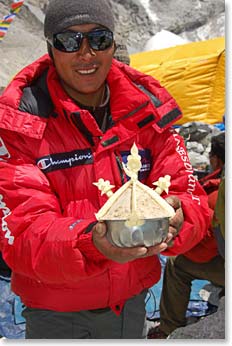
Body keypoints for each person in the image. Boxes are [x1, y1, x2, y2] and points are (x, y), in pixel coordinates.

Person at [0, 0, 210, 339]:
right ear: (51, 48)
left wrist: (180, 216)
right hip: (55, 314)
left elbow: (191, 195)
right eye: (69, 41)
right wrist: (91, 243)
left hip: (130, 306)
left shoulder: (149, 113)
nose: (86, 53)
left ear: (113, 44)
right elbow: (21, 234)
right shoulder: (21, 126)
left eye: (98, 39)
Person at [148, 131, 225, 339]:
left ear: (216, 160)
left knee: (177, 265)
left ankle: (169, 328)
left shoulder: (216, 196)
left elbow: (203, 250)